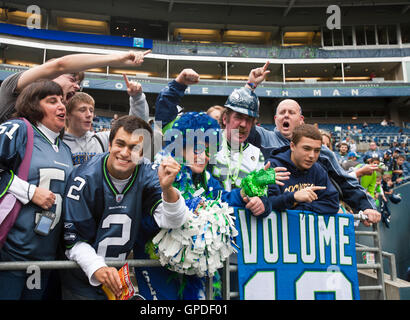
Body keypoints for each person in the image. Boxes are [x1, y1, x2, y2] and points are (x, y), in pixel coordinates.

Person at [134, 112, 285, 300]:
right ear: (180, 146)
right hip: (157, 262)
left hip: (191, 266)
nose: (203, 156)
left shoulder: (206, 179)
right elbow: (145, 222)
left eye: (208, 151)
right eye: (196, 149)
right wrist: (190, 210)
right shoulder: (159, 172)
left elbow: (224, 200)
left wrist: (249, 186)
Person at [0, 49, 151, 176]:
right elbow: (60, 64)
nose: (77, 86)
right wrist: (118, 59)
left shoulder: (54, 129)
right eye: (72, 77)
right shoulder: (13, 91)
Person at [0, 80, 74, 300]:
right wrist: (30, 191)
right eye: (52, 101)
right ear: (34, 105)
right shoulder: (19, 128)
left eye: (62, 101)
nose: (61, 106)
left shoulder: (65, 149)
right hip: (5, 254)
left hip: (42, 258)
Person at [61, 115, 189, 300]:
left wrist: (167, 189)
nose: (125, 152)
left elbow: (173, 220)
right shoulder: (84, 178)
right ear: (110, 144)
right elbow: (72, 240)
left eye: (134, 148)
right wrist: (97, 267)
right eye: (120, 144)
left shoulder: (148, 173)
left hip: (118, 278)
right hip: (81, 278)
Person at [245, 64, 381, 226]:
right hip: (266, 226)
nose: (286, 115)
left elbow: (343, 181)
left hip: (309, 231)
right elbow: (240, 123)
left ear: (301, 120)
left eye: (291, 112)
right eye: (282, 113)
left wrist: (366, 206)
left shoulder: (320, 152)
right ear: (275, 119)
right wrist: (249, 87)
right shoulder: (263, 138)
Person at [63, 75, 149, 166]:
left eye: (91, 110)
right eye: (82, 110)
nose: (89, 115)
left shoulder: (101, 139)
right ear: (68, 114)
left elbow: (135, 127)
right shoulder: (57, 143)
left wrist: (137, 98)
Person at [267, 124, 340, 213]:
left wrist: (299, 206)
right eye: (306, 149)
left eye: (317, 150)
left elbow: (332, 204)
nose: (312, 156)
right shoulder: (273, 166)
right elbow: (266, 203)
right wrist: (293, 197)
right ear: (292, 146)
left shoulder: (318, 169)